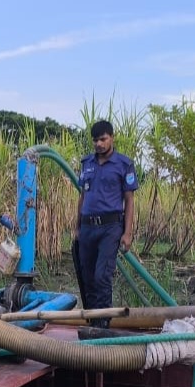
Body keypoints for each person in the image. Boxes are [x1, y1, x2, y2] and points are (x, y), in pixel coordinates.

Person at [73, 120, 138, 329]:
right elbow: (83, 196)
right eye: (95, 140)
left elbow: (129, 200)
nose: (99, 144)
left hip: (110, 228)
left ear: (112, 137)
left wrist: (127, 233)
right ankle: (93, 322)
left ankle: (103, 324)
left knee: (102, 276)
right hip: (87, 227)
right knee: (88, 277)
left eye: (103, 139)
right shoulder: (87, 164)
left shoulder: (123, 164)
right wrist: (77, 227)